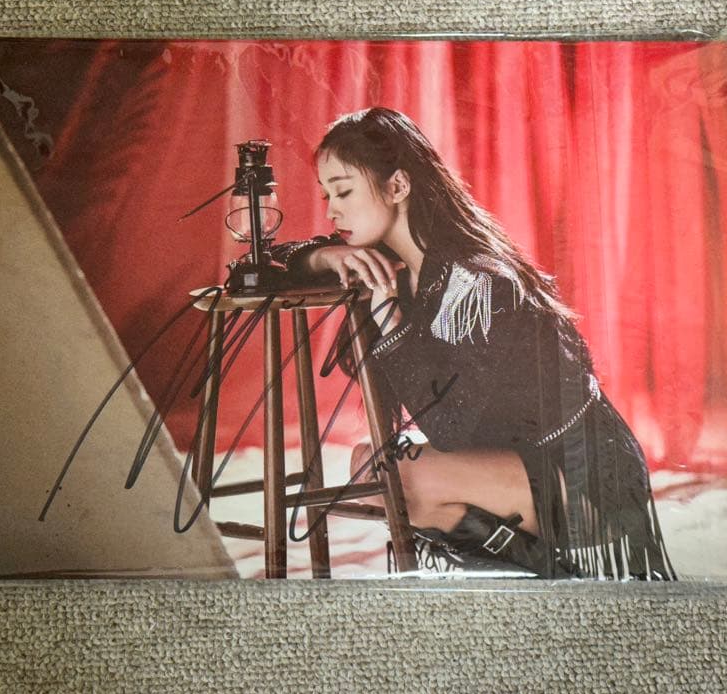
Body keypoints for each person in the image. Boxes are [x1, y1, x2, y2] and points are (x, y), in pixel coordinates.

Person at [271, 107, 675, 580]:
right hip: (514, 463)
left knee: (403, 478)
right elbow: (262, 265)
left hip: (587, 479)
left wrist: (390, 322)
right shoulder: (397, 270)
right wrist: (325, 255)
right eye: (326, 195)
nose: (330, 210)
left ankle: (557, 571)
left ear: (398, 186)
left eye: (343, 191)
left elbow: (449, 429)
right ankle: (535, 565)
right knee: (366, 464)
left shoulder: (477, 284)